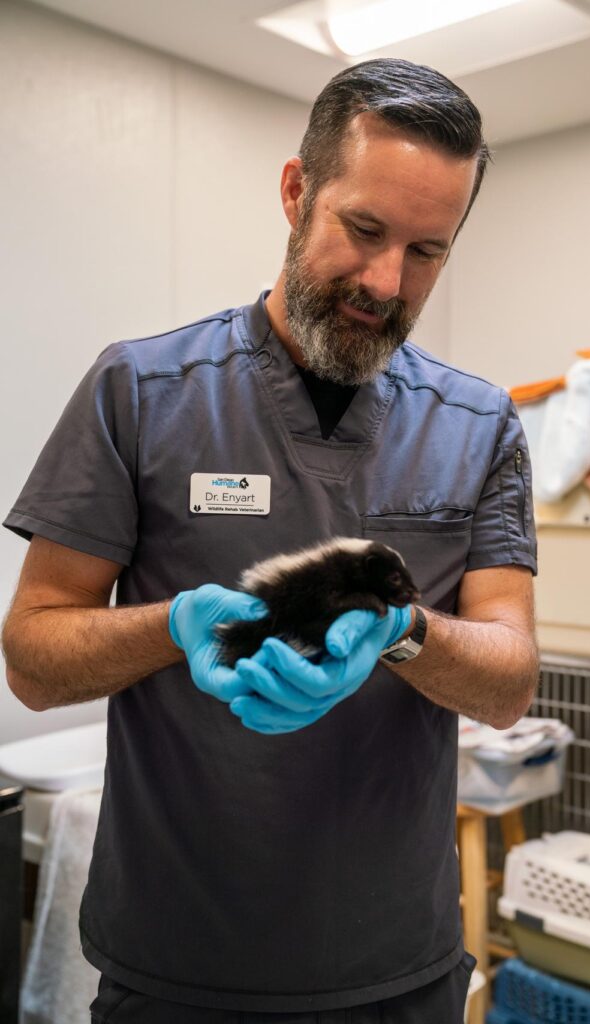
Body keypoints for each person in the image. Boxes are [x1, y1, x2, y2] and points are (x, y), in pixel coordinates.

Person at [2, 58, 538, 1023]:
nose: (386, 281)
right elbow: (34, 659)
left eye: (426, 251)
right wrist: (176, 627)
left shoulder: (479, 424)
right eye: (363, 230)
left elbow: (507, 685)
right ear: (296, 192)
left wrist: (403, 632)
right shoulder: (140, 393)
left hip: (397, 965)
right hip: (178, 963)